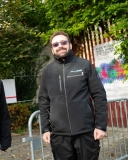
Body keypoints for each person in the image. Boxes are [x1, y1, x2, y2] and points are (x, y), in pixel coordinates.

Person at [38, 31, 107, 160]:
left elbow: (99, 95)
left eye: (64, 42)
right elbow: (43, 101)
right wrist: (45, 129)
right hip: (59, 135)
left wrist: (100, 126)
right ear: (52, 49)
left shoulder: (84, 65)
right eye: (56, 44)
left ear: (70, 45)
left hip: (85, 132)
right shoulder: (48, 71)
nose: (60, 46)